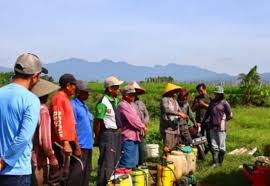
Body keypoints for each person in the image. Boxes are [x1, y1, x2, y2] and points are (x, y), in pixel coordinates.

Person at [0, 53, 47, 186]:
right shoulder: (31, 100)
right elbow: (24, 137)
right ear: (34, 76)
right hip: (16, 170)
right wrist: (4, 162)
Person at [49, 73, 81, 185]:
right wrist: (65, 142)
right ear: (68, 85)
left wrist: (75, 144)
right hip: (59, 145)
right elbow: (58, 122)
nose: (75, 88)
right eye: (74, 85)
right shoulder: (58, 98)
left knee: (65, 175)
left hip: (66, 144)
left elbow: (70, 124)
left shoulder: (65, 99)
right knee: (58, 176)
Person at [94, 76, 123, 186]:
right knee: (107, 162)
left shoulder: (115, 100)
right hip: (108, 135)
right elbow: (97, 122)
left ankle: (112, 182)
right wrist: (97, 137)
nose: (119, 90)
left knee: (115, 161)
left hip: (117, 134)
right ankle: (103, 183)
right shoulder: (103, 103)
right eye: (116, 87)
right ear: (110, 89)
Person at [31, 79, 60, 186]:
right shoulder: (43, 110)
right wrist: (52, 157)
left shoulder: (30, 107)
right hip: (38, 160)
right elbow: (44, 140)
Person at [70, 80, 93, 186]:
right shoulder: (73, 105)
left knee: (86, 172)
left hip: (88, 144)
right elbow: (72, 126)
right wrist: (76, 145)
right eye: (85, 92)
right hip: (80, 145)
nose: (87, 94)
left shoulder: (84, 106)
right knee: (76, 173)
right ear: (78, 92)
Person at [202, 86, 232, 167]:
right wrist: (204, 120)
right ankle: (215, 162)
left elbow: (230, 115)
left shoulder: (224, 103)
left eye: (218, 93)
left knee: (221, 146)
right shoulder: (212, 102)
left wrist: (223, 121)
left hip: (221, 127)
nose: (217, 95)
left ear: (221, 94)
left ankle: (220, 163)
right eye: (216, 93)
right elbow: (208, 112)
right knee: (214, 145)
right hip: (212, 126)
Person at [118, 86, 146, 168]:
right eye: (132, 95)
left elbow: (137, 117)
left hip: (134, 137)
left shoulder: (130, 105)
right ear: (126, 95)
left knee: (133, 163)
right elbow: (133, 119)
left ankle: (129, 179)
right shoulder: (123, 105)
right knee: (127, 163)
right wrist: (142, 126)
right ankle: (124, 179)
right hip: (128, 137)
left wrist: (142, 126)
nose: (134, 96)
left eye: (134, 95)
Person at [160, 83, 187, 152]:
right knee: (167, 147)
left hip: (174, 126)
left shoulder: (174, 100)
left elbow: (179, 110)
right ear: (170, 91)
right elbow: (166, 110)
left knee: (173, 146)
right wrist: (179, 114)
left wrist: (182, 115)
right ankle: (165, 161)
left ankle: (171, 160)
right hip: (167, 127)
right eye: (175, 91)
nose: (176, 93)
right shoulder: (165, 99)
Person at [128, 81, 149, 165]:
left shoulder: (141, 103)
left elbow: (147, 115)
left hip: (142, 130)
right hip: (133, 131)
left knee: (143, 149)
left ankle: (142, 164)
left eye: (136, 91)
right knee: (134, 151)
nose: (135, 93)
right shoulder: (127, 104)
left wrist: (144, 124)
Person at [192, 83, 211, 152]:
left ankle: (210, 149)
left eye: (201, 90)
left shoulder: (210, 97)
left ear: (205, 89)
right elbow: (192, 110)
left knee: (209, 136)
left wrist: (203, 104)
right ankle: (202, 150)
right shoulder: (197, 98)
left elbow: (213, 108)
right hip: (199, 121)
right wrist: (196, 105)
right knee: (200, 136)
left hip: (208, 120)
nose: (200, 92)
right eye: (198, 91)